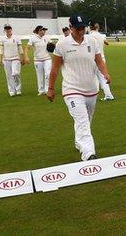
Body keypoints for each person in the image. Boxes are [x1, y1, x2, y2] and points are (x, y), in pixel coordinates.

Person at [47, 14, 112, 161]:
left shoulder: (92, 41)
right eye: (78, 29)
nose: (81, 31)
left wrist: (106, 73)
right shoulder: (62, 44)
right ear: (71, 28)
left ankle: (80, 142)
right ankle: (89, 154)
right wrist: (50, 88)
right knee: (82, 120)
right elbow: (55, 69)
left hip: (91, 88)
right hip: (72, 89)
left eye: (83, 28)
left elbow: (99, 61)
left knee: (86, 121)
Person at [88, 23, 115, 101]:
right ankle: (108, 95)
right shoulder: (101, 35)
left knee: (91, 77)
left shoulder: (89, 36)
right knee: (102, 78)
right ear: (97, 27)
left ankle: (93, 93)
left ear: (90, 28)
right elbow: (107, 43)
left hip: (93, 59)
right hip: (102, 59)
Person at [0, 24, 25, 97]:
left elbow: (20, 48)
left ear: (11, 29)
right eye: (6, 29)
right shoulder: (2, 39)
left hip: (16, 59)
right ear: (5, 30)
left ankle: (18, 89)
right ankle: (11, 91)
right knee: (9, 76)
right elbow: (1, 50)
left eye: (9, 28)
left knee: (15, 73)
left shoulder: (16, 38)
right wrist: (0, 59)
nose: (8, 30)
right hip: (6, 59)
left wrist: (22, 57)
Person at [24, 25, 52, 95]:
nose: (44, 31)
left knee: (48, 74)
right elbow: (27, 48)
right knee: (39, 76)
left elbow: (52, 45)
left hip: (47, 59)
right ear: (39, 31)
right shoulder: (33, 38)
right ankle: (41, 90)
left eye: (45, 30)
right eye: (43, 30)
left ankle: (47, 89)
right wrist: (26, 57)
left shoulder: (46, 37)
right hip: (38, 60)